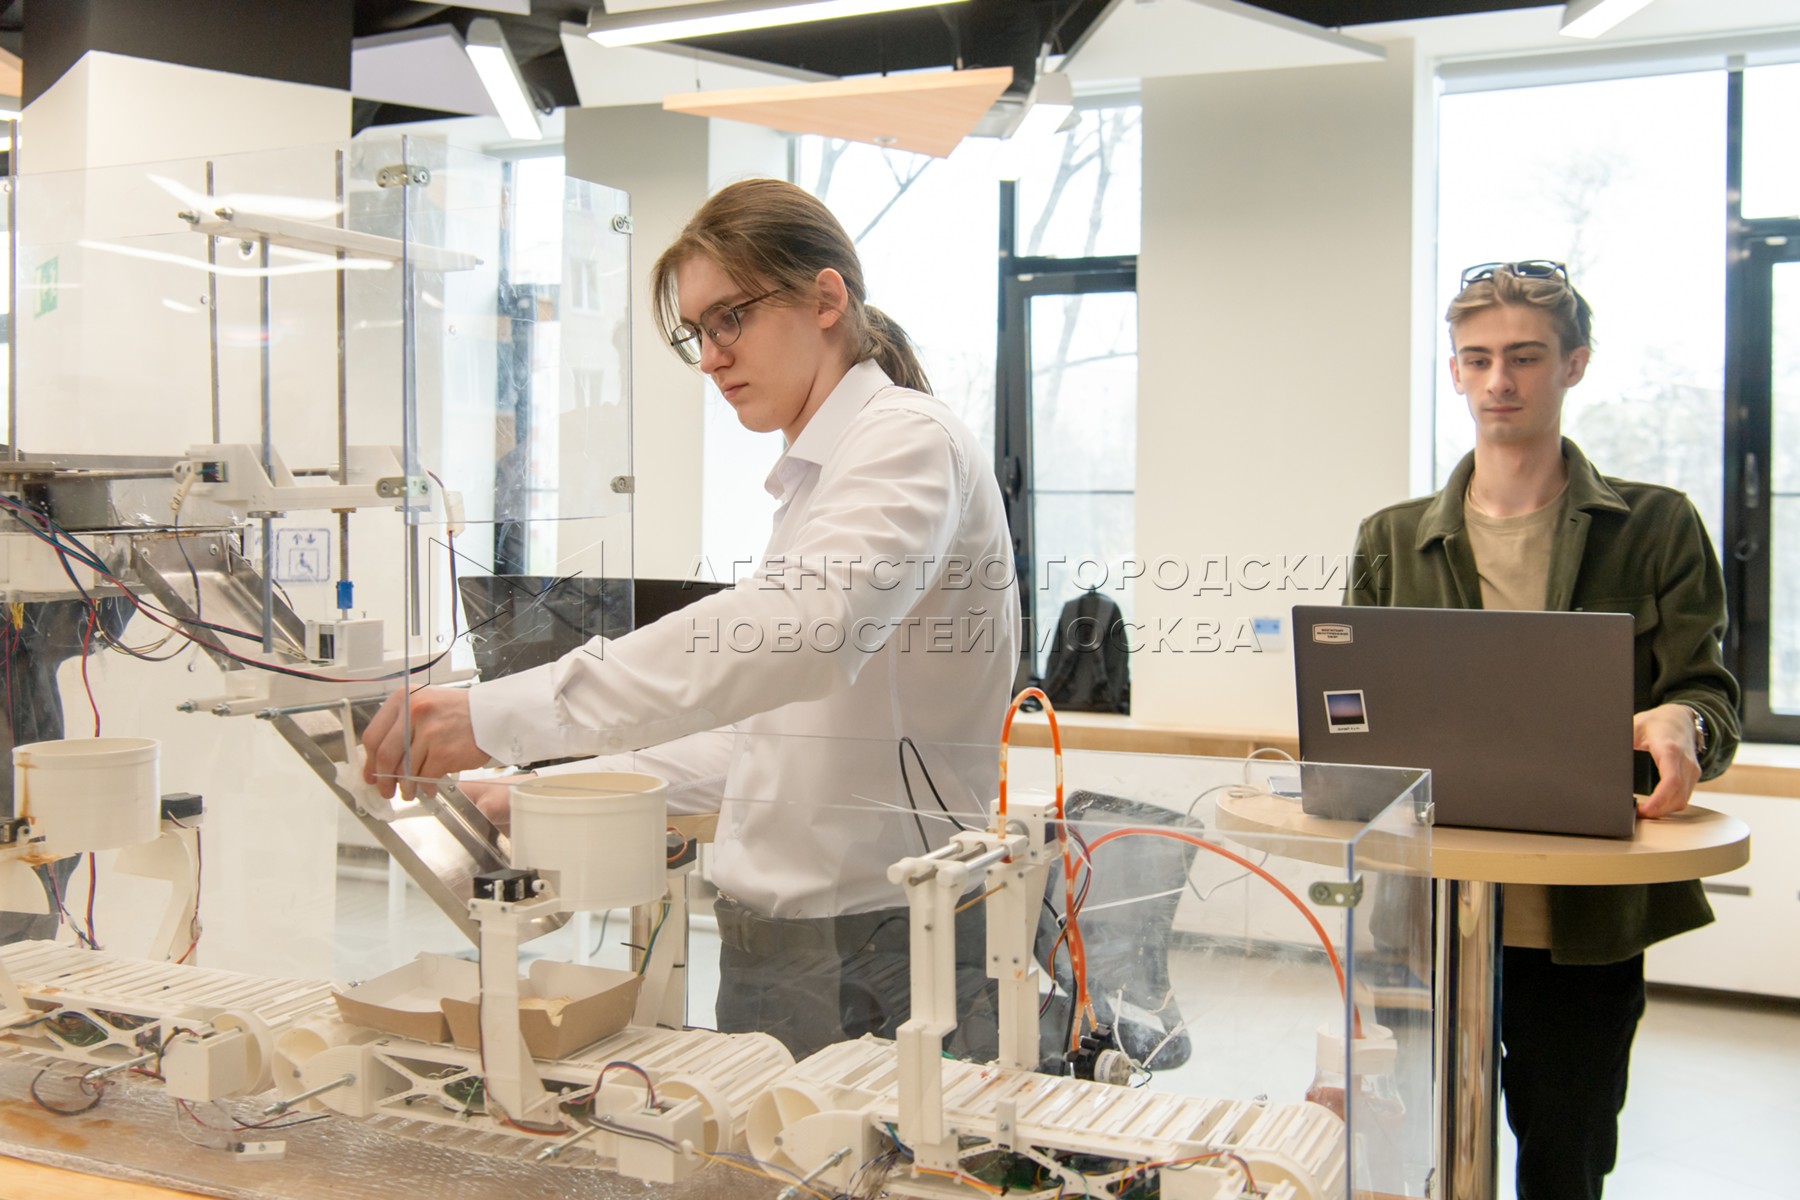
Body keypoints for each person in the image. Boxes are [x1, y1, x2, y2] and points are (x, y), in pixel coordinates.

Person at [361, 178, 1020, 1059]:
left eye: (729, 319)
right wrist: (550, 792)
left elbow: (802, 634)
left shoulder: (906, 440)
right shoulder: (822, 478)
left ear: (826, 299)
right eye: (696, 334)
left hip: (881, 953)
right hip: (790, 954)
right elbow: (763, 747)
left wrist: (496, 715)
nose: (710, 358)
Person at [1346, 261, 1740, 1199]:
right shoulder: (1391, 538)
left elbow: (1708, 696)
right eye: (1478, 359)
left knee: (1566, 1159)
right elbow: (1354, 714)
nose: (1499, 380)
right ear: (1454, 371)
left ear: (1574, 364)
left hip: (1586, 918)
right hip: (1430, 913)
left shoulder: (1655, 527)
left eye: (1524, 356)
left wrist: (1682, 720)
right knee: (1420, 1154)